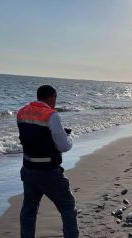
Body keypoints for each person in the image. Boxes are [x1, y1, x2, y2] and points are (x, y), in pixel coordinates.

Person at [17, 85, 79, 238]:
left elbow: (34, 136)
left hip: (28, 168)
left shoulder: (21, 112)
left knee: (29, 211)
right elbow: (63, 146)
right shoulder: (52, 115)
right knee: (67, 206)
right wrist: (69, 137)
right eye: (55, 99)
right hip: (48, 171)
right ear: (52, 97)